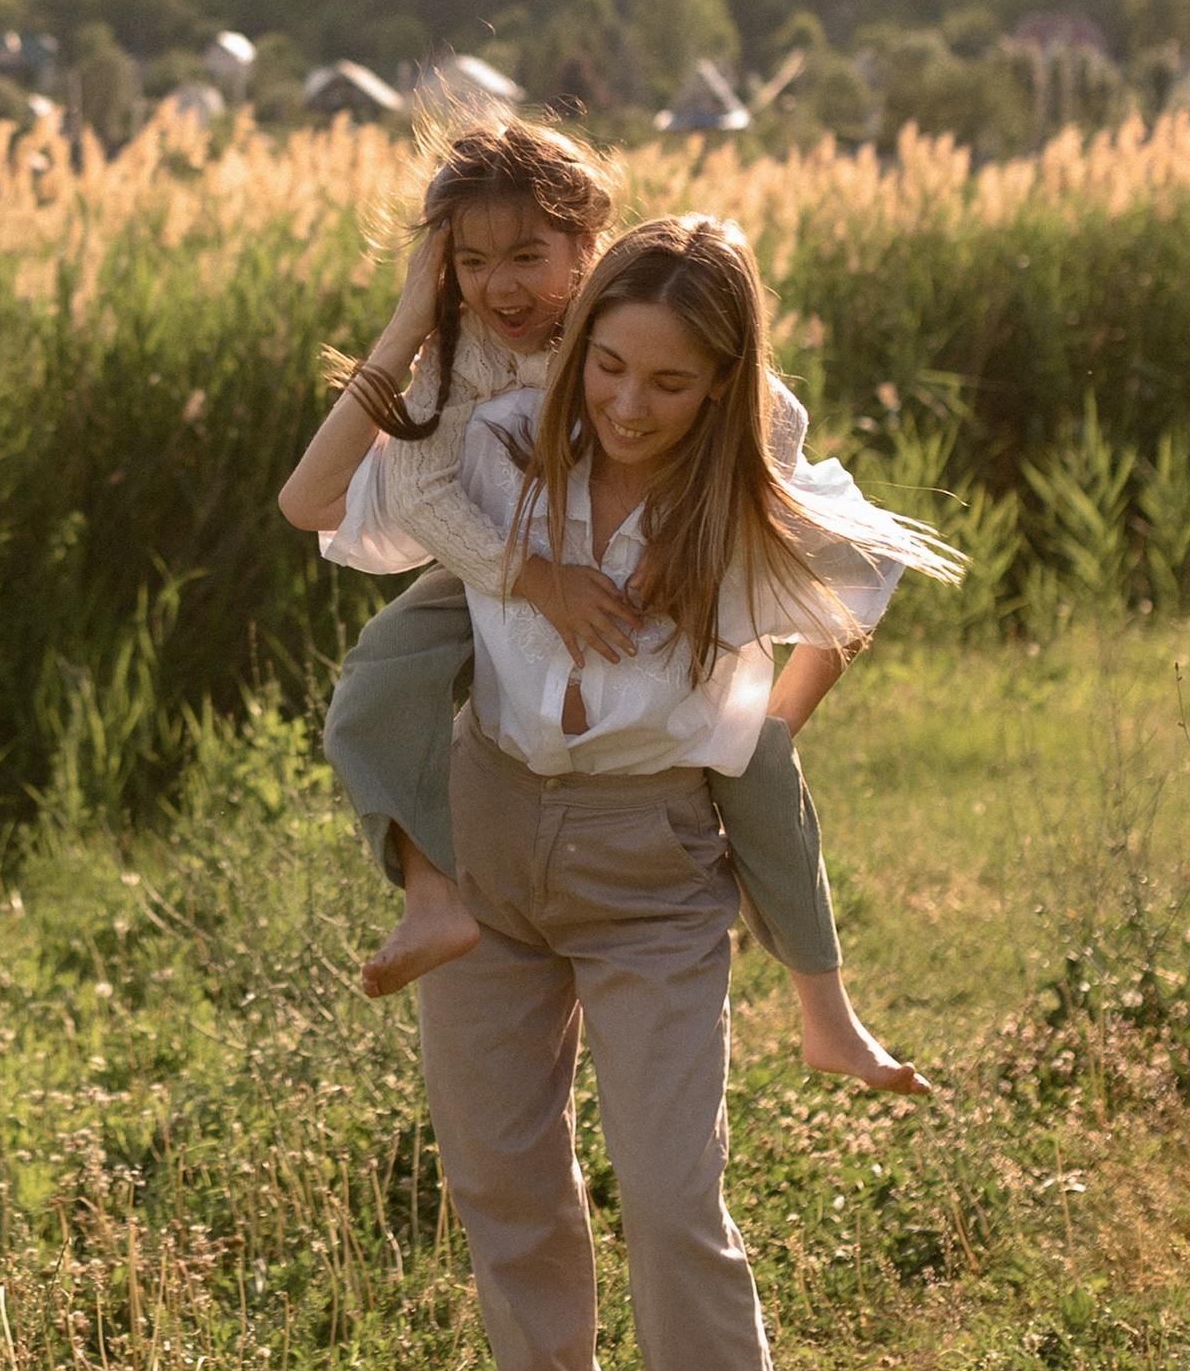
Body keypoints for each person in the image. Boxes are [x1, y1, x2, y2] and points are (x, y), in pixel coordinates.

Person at [409, 212, 962, 1371]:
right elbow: (345, 495)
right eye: (609, 368)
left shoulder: (741, 496)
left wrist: (759, 731)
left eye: (671, 382)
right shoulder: (502, 451)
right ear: (577, 346)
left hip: (652, 860)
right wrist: (426, 296)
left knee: (670, 1200)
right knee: (505, 1190)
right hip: (491, 836)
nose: (629, 406)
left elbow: (860, 589)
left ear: (721, 385)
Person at [277, 118, 922, 1095]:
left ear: (591, 248)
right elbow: (401, 497)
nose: (500, 286)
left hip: (625, 577)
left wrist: (689, 540)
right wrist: (412, 322)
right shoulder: (460, 359)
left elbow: (770, 415)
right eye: (469, 261)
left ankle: (824, 1011)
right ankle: (431, 889)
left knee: (759, 758)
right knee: (378, 676)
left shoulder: (633, 318)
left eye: (528, 255)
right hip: (493, 557)